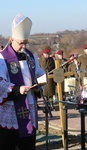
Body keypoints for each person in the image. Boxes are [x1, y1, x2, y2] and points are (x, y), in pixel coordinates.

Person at [0, 13, 46, 150]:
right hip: (10, 111)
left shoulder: (31, 56)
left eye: (26, 43)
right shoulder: (2, 59)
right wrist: (18, 89)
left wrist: (39, 85)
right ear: (12, 39)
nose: (24, 47)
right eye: (21, 43)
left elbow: (40, 73)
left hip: (29, 109)